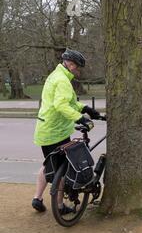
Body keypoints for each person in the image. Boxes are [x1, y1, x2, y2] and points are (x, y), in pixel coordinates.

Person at [32, 49, 100, 214]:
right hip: (56, 131)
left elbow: (67, 101)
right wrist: (80, 118)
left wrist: (85, 108)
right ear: (70, 64)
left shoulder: (55, 75)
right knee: (61, 169)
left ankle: (37, 198)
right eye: (77, 68)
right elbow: (61, 105)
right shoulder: (62, 80)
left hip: (46, 129)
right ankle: (60, 206)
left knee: (48, 163)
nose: (78, 71)